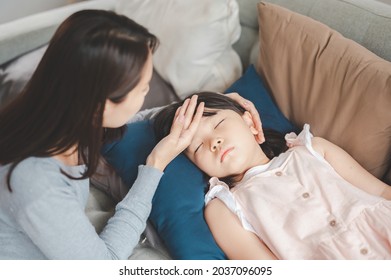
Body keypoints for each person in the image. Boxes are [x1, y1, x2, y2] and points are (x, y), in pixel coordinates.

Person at [0, 9, 261, 259]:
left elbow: (138, 119)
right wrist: (155, 165)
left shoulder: (63, 120)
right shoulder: (36, 182)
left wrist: (216, 105)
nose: (147, 94)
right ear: (100, 105)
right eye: (143, 89)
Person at [153, 91, 391, 260]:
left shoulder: (312, 148)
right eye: (197, 147)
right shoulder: (224, 209)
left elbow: (381, 191)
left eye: (219, 124)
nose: (213, 142)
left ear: (250, 121)